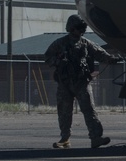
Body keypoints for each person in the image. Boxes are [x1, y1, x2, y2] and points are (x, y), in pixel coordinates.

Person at [45, 15, 120, 148]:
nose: (81, 31)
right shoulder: (59, 43)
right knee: (64, 111)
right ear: (71, 28)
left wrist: (111, 59)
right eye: (79, 28)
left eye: (83, 28)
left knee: (89, 110)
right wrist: (58, 61)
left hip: (81, 82)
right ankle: (65, 138)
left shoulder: (85, 43)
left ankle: (96, 138)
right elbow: (48, 58)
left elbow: (99, 53)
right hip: (65, 83)